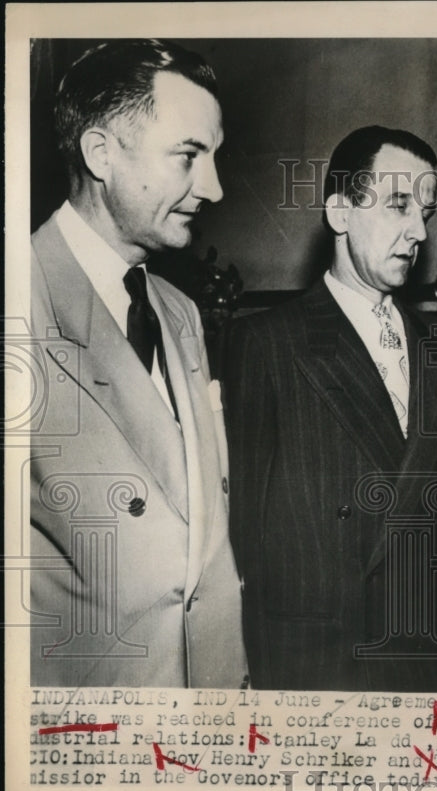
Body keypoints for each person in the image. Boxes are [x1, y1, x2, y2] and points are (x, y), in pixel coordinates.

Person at [223, 125, 437, 691]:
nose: (418, 231)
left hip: (426, 663)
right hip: (315, 664)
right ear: (340, 211)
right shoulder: (269, 343)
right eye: (398, 205)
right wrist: (245, 670)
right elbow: (241, 536)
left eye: (425, 211)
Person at [28, 40, 248, 687]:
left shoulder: (179, 312)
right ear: (101, 154)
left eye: (214, 157)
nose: (213, 187)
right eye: (189, 156)